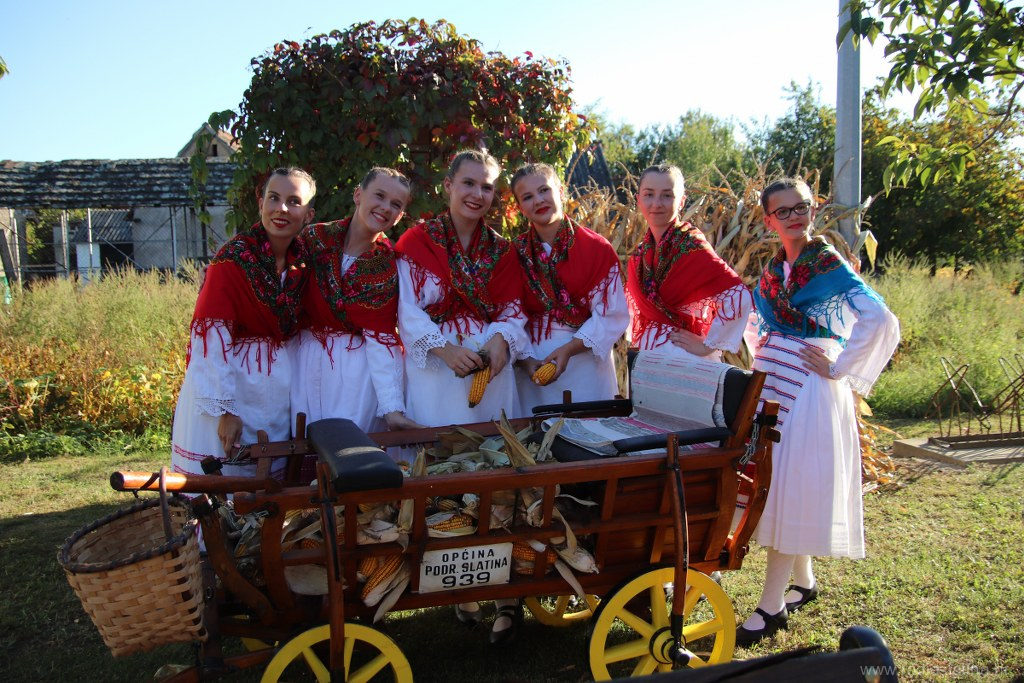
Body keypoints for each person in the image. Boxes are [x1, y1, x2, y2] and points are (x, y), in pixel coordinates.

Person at [736, 178, 900, 646]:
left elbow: (880, 319)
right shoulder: (774, 271)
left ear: (813, 209)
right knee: (782, 485)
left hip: (810, 389)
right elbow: (756, 320)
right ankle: (804, 583)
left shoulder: (827, 264)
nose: (794, 217)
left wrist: (839, 366)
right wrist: (766, 350)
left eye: (801, 207)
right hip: (773, 384)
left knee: (787, 486)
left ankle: (770, 606)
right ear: (768, 220)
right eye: (782, 211)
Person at [394, 149, 529, 646]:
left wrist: (501, 341)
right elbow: (407, 311)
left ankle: (507, 597)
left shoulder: (502, 250)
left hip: (491, 378)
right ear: (448, 185)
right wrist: (444, 349)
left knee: (498, 477)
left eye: (487, 186)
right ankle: (460, 588)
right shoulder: (416, 242)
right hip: (436, 374)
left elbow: (515, 312)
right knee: (442, 477)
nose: (477, 194)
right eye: (469, 183)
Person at [171, 167, 315, 483]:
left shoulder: (302, 264)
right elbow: (211, 338)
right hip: (231, 385)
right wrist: (226, 411)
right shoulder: (232, 260)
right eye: (274, 198)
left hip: (273, 392)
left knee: (265, 486)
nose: (282, 209)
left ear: (308, 214)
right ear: (261, 203)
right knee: (221, 483)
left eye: (294, 201)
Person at [291, 167, 421, 446]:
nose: (385, 207)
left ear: (400, 216)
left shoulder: (387, 265)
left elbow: (381, 337)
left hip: (356, 372)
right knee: (303, 447)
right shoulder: (315, 238)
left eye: (396, 204)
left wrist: (392, 407)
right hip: (305, 361)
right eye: (379, 196)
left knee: (348, 453)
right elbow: (279, 273)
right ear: (358, 194)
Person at [510, 162, 629, 415]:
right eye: (527, 197)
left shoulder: (597, 249)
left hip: (586, 367)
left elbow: (612, 316)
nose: (538, 201)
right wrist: (525, 359)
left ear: (561, 191)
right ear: (520, 207)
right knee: (536, 436)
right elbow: (508, 315)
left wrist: (569, 349)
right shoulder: (513, 255)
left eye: (544, 190)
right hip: (533, 369)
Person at [626, 164, 751, 360]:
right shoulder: (640, 255)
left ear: (682, 201)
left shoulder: (692, 248)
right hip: (647, 357)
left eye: (667, 195)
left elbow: (739, 296)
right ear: (638, 199)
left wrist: (708, 346)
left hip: (684, 360)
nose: (656, 203)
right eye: (649, 194)